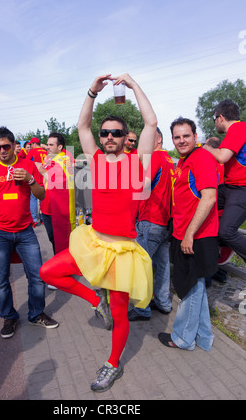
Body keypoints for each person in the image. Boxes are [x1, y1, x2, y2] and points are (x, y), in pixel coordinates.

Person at [39, 73, 156, 392]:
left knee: (120, 314)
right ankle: (94, 299)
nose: (108, 136)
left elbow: (151, 122)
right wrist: (92, 91)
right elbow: (81, 126)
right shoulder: (96, 160)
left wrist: (132, 86)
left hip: (121, 251)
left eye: (116, 133)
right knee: (48, 272)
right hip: (93, 242)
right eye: (104, 132)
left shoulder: (137, 163)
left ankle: (113, 364)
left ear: (124, 137)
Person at [0, 126, 58, 339]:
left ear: (13, 146)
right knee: (0, 281)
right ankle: (9, 316)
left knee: (38, 276)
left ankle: (36, 313)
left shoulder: (28, 165)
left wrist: (30, 179)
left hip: (25, 232)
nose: (2, 150)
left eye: (6, 146)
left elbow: (41, 195)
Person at [158, 117, 219, 351]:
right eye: (177, 137)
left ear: (195, 136)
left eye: (186, 136)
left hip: (197, 236)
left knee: (190, 286)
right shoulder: (186, 160)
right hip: (186, 233)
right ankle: (204, 338)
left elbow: (209, 196)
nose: (181, 140)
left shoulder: (201, 157)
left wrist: (189, 234)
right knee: (197, 286)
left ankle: (183, 338)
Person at [128, 127, 174, 321]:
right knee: (162, 265)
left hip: (151, 219)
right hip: (165, 221)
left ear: (158, 139)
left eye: (148, 138)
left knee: (141, 265)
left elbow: (141, 186)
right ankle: (163, 302)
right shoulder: (170, 160)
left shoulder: (154, 158)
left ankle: (142, 308)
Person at [203, 100, 246, 262]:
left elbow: (221, 157)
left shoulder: (238, 128)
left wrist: (206, 147)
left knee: (226, 231)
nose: (215, 125)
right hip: (230, 187)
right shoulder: (238, 130)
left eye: (214, 120)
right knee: (201, 200)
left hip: (241, 189)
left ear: (220, 117)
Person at [26, 137, 47, 225]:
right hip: (45, 177)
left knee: (33, 199)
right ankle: (43, 218)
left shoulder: (32, 151)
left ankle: (34, 219)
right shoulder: (45, 152)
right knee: (43, 199)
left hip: (36, 178)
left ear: (34, 144)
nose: (30, 146)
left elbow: (26, 162)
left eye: (31, 144)